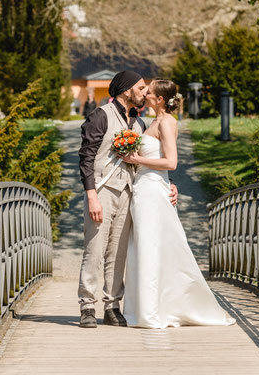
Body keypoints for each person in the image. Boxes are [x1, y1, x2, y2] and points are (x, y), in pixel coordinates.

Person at [122, 79, 236, 328]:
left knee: (152, 245)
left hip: (153, 191)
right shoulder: (152, 121)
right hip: (143, 188)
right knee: (143, 245)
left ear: (159, 99)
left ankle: (153, 312)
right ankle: (144, 308)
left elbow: (171, 162)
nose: (145, 94)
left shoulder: (167, 122)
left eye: (149, 92)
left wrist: (137, 158)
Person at [77, 70, 178, 328]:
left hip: (130, 192)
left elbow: (149, 160)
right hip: (102, 190)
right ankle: (87, 305)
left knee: (118, 252)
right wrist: (91, 195)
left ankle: (112, 305)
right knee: (95, 248)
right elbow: (86, 157)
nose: (145, 92)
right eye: (141, 87)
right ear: (125, 90)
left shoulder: (140, 124)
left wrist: (169, 183)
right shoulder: (100, 116)